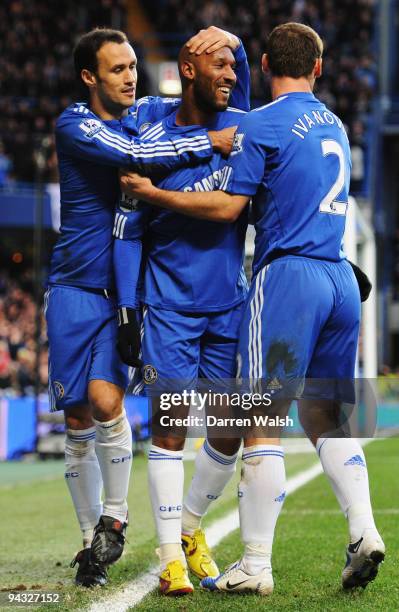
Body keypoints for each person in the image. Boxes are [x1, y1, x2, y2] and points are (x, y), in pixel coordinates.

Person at [119, 22, 385, 595]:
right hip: (339, 276)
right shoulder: (333, 122)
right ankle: (364, 530)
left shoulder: (258, 125)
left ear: (264, 66)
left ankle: (256, 565)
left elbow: (229, 207)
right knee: (325, 414)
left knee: (257, 422)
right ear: (318, 69)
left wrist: (155, 194)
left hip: (287, 277)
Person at [45, 26, 235, 588]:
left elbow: (208, 99)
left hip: (125, 291)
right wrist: (209, 144)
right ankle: (89, 545)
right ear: (90, 77)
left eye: (133, 66)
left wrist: (229, 60)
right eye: (117, 69)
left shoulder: (146, 109)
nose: (132, 77)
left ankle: (116, 517)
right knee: (77, 418)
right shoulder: (74, 124)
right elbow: (134, 154)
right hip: (74, 287)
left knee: (106, 402)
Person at [115, 29, 250, 595]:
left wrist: (235, 42)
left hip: (230, 305)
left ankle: (191, 525)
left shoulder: (238, 123)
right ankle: (170, 553)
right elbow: (126, 227)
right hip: (168, 305)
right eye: (219, 65)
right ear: (188, 71)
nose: (231, 75)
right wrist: (127, 310)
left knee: (231, 428)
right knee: (170, 427)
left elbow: (246, 69)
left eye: (235, 68)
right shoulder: (150, 131)